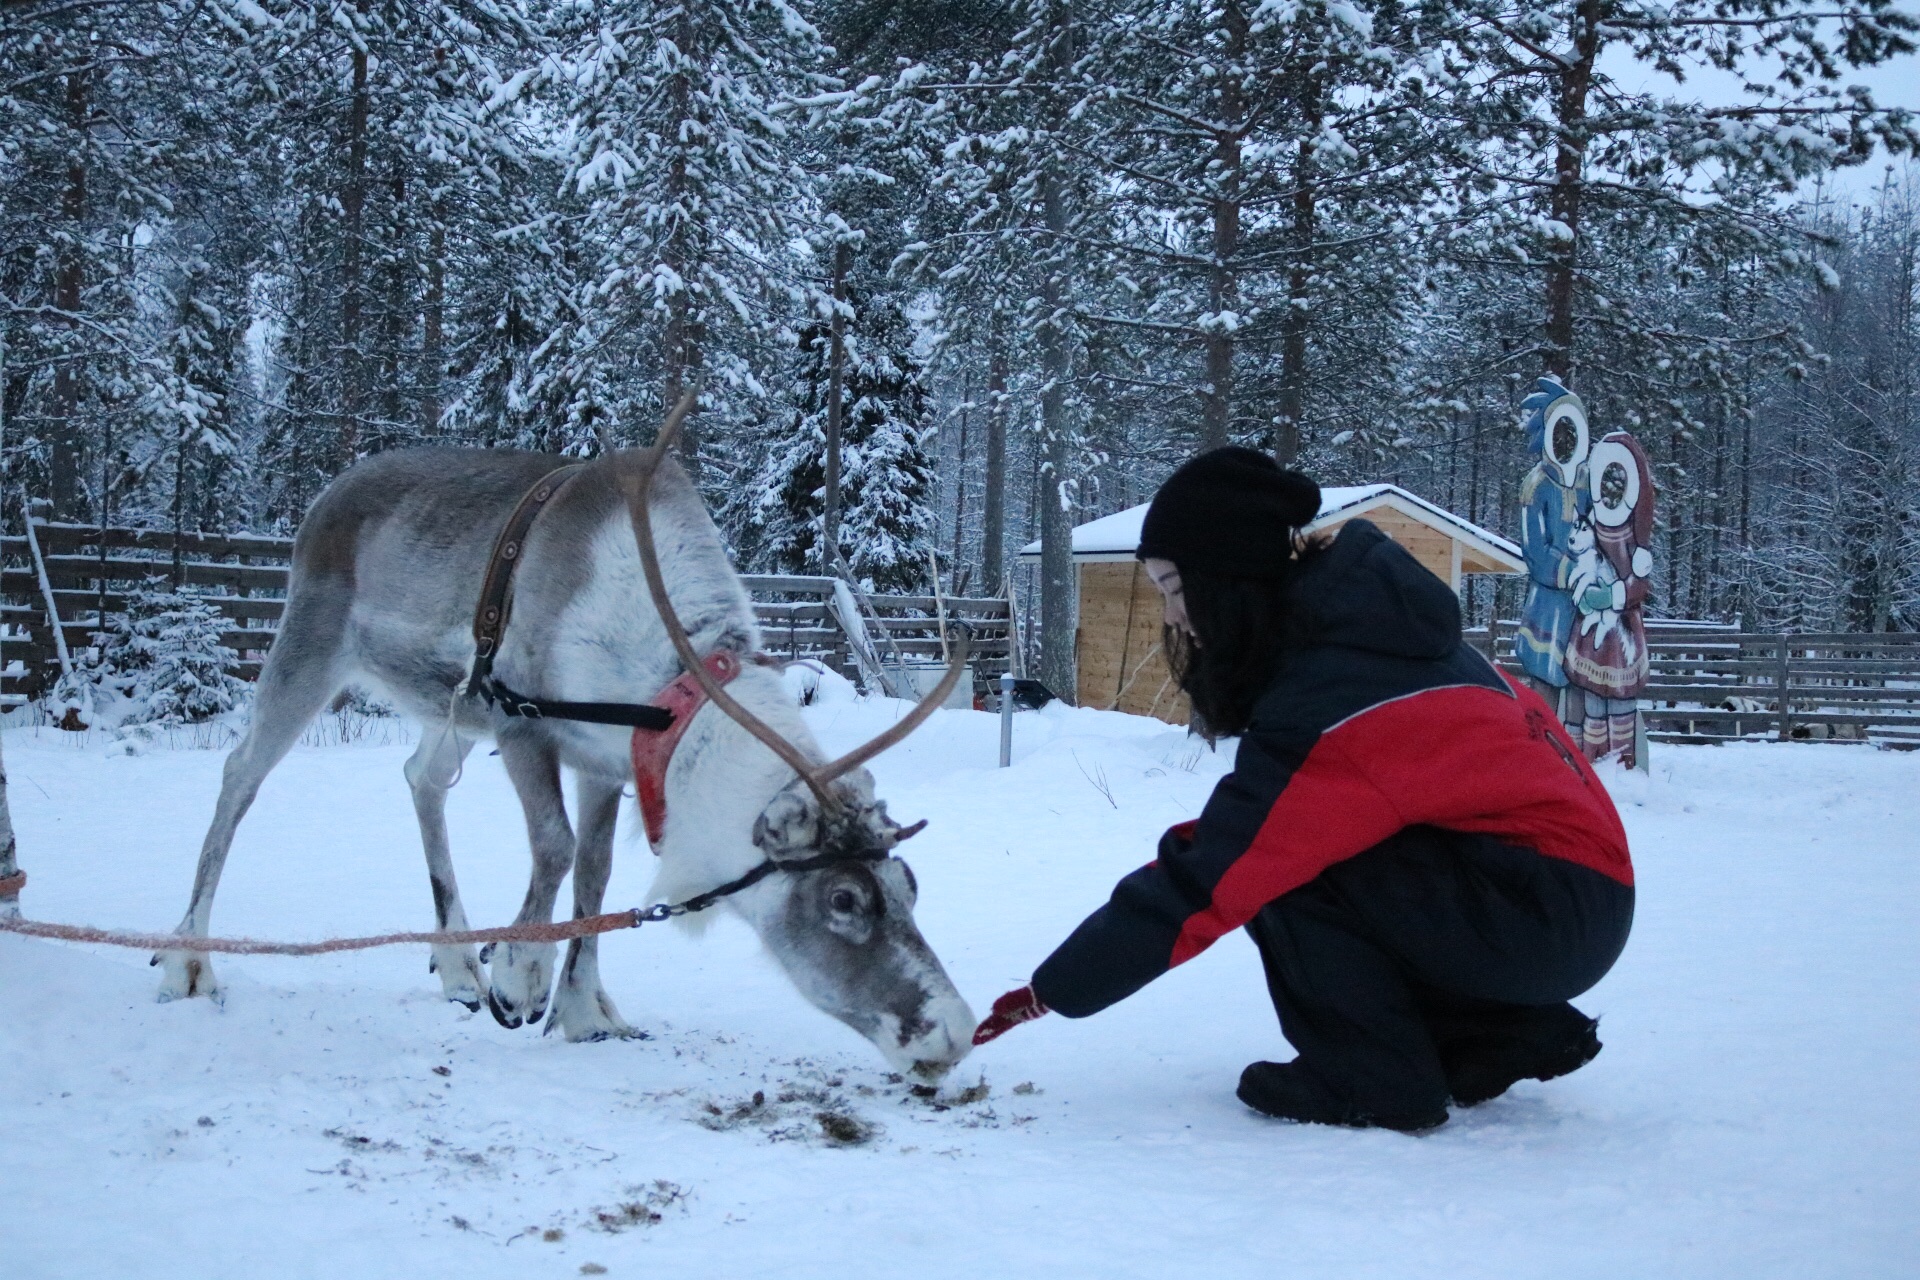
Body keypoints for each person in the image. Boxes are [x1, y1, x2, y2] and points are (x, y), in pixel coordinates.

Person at [972, 447, 1635, 1132]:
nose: (1171, 615)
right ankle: (1493, 1038)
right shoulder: (1372, 634)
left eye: (1174, 587)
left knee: (1281, 864)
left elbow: (1213, 873)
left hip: (1544, 904)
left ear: (1224, 577)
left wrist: (1054, 990)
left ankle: (1373, 1081)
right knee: (1320, 849)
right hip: (1562, 897)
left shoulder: (1339, 687)